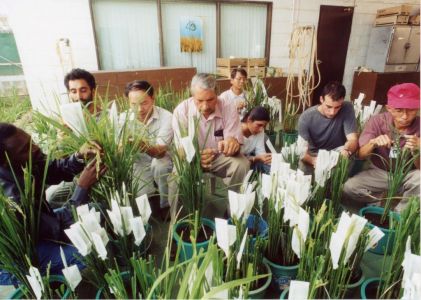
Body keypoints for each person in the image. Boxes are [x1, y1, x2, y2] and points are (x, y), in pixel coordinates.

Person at [0, 123, 106, 284]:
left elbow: (54, 169)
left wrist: (79, 156)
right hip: (28, 250)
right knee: (86, 254)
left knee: (100, 210)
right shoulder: (9, 198)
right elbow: (47, 230)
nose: (35, 148)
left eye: (31, 142)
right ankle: (52, 283)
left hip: (46, 222)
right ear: (5, 162)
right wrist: (82, 188)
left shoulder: (26, 160)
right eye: (25, 149)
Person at [343, 83, 420, 211]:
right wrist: (373, 143)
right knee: (349, 188)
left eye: (411, 110)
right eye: (399, 110)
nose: (405, 116)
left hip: (408, 175)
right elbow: (361, 155)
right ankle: (382, 202)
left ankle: (398, 216)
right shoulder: (377, 121)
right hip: (380, 172)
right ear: (389, 108)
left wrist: (417, 150)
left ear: (417, 108)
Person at [172, 73, 250, 193]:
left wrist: (232, 144)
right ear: (192, 96)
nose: (205, 106)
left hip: (219, 158)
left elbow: (233, 141)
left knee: (242, 164)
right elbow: (181, 149)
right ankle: (181, 212)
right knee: (177, 175)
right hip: (191, 159)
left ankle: (234, 209)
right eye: (199, 100)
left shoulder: (227, 106)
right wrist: (197, 157)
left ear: (217, 95)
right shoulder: (182, 111)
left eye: (210, 99)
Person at [123, 80, 173, 215]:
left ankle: (165, 203)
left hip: (161, 160)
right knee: (144, 204)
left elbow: (160, 153)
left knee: (160, 166)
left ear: (153, 99)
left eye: (144, 103)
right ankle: (151, 193)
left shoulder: (167, 117)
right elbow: (119, 151)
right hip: (139, 163)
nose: (140, 109)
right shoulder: (122, 119)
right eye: (134, 104)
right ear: (128, 103)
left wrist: (140, 144)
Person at [298, 81, 358, 174]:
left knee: (351, 154)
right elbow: (302, 152)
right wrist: (314, 161)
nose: (332, 112)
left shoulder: (347, 108)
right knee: (302, 169)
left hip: (337, 152)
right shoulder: (306, 117)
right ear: (321, 99)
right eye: (328, 107)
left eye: (337, 107)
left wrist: (346, 150)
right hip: (314, 154)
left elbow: (353, 140)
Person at [241, 106, 271, 174]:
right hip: (237, 163)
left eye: (264, 126)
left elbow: (261, 153)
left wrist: (267, 158)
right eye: (259, 125)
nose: (261, 129)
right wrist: (257, 158)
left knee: (270, 166)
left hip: (250, 159)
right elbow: (238, 160)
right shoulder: (237, 131)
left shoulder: (260, 131)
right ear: (249, 120)